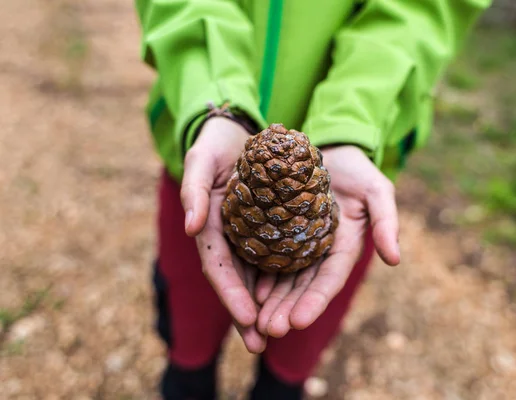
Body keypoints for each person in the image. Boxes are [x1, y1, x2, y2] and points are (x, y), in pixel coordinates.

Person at [134, 1, 491, 398]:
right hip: (205, 170)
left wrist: (350, 123)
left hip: (348, 171)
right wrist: (216, 98)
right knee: (188, 329)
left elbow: (419, 11)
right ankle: (188, 378)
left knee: (296, 351)